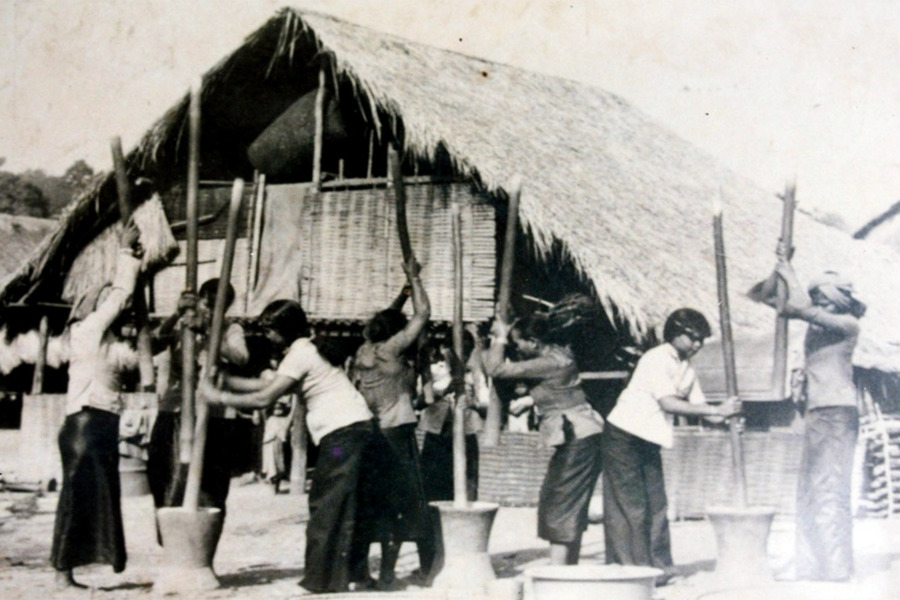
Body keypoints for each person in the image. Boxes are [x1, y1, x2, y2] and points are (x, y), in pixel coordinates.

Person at [197, 300, 381, 595]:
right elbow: (266, 387)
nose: (268, 336)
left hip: (344, 435)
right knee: (345, 504)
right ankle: (354, 575)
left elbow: (264, 399)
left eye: (270, 330)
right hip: (354, 431)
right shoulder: (305, 350)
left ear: (285, 330)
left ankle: (320, 581)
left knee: (326, 504)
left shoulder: (300, 355)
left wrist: (218, 397)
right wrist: (227, 381)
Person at [602, 308, 740, 584]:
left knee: (657, 504)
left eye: (701, 340)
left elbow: (700, 408)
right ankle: (636, 570)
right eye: (693, 338)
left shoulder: (686, 368)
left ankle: (661, 566)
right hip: (623, 435)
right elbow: (670, 403)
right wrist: (716, 410)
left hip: (648, 439)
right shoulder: (656, 359)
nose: (698, 345)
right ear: (675, 334)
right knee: (633, 506)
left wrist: (727, 417)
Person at [761, 248, 865, 582]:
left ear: (838, 300)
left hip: (836, 413)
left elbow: (803, 308)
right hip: (819, 413)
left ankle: (835, 569)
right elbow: (789, 303)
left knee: (830, 489)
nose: (819, 303)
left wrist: (787, 275)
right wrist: (782, 270)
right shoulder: (819, 326)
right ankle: (812, 565)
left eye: (824, 297)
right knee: (809, 491)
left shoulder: (847, 325)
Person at [50, 220, 143, 590]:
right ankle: (61, 572)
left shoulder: (104, 343)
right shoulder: (87, 330)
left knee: (93, 498)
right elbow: (121, 295)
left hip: (98, 423)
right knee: (77, 498)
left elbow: (123, 306)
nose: (107, 303)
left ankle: (67, 570)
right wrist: (125, 253)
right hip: (86, 425)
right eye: (99, 300)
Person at [482, 312, 604, 566]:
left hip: (576, 435)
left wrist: (501, 338)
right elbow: (562, 390)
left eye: (519, 343)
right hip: (585, 432)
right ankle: (567, 567)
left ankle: (558, 570)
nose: (517, 348)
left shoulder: (546, 362)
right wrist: (532, 399)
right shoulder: (559, 353)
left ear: (534, 342)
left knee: (560, 502)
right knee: (567, 501)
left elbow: (495, 369)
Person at [349, 258, 434, 587]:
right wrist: (414, 279)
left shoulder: (365, 351)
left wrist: (402, 292)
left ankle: (362, 572)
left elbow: (387, 321)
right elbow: (422, 314)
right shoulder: (393, 351)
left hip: (369, 432)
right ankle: (386, 573)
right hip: (396, 432)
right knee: (398, 505)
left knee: (371, 502)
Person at [146, 279, 249, 538]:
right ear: (199, 300)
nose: (209, 311)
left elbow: (242, 357)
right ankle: (171, 541)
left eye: (216, 308)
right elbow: (151, 344)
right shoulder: (182, 323)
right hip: (175, 410)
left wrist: (211, 333)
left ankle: (203, 543)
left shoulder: (230, 328)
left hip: (214, 416)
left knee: (211, 487)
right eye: (206, 304)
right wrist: (176, 314)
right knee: (166, 477)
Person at [419, 328, 488, 503]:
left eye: (467, 349)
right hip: (437, 433)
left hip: (466, 433)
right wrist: (443, 387)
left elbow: (486, 404)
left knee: (467, 480)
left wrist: (471, 402)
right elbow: (421, 399)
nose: (462, 354)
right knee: (432, 482)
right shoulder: (435, 369)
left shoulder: (475, 372)